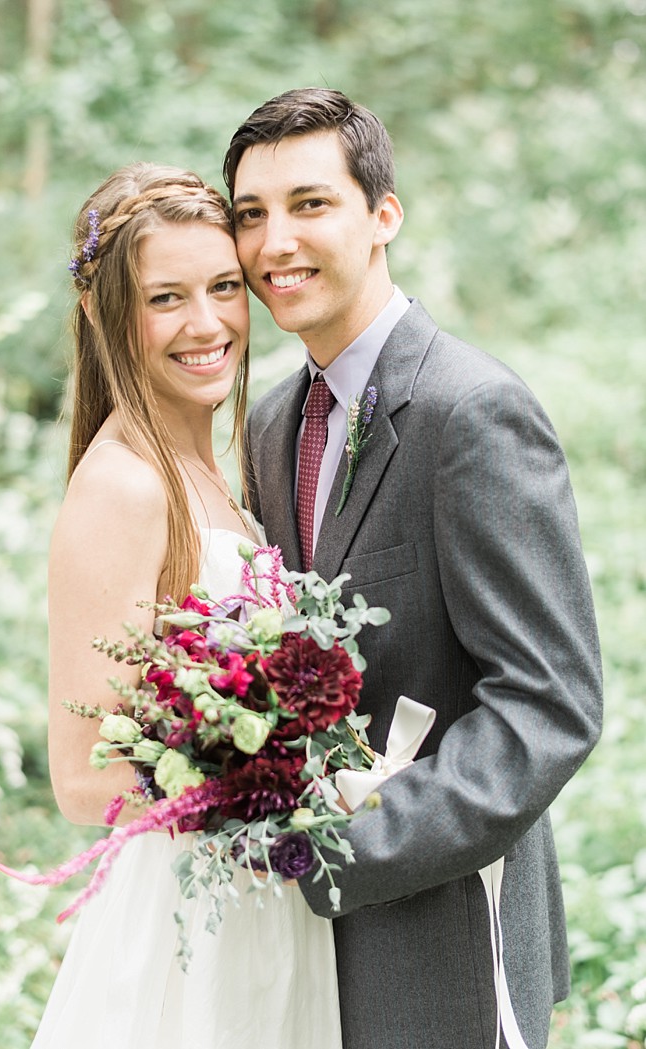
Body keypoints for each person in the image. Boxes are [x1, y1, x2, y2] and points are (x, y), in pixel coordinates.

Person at [223, 88, 603, 1049]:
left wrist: (339, 847)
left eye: (310, 204)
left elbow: (548, 702)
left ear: (383, 214)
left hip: (446, 935)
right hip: (304, 954)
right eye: (251, 214)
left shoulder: (471, 413)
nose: (276, 243)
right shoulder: (271, 423)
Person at [34, 162, 342, 1049]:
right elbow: (83, 778)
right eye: (166, 297)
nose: (206, 324)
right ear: (100, 312)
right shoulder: (124, 490)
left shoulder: (213, 471)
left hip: (259, 900)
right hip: (187, 929)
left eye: (222, 288)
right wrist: (278, 778)